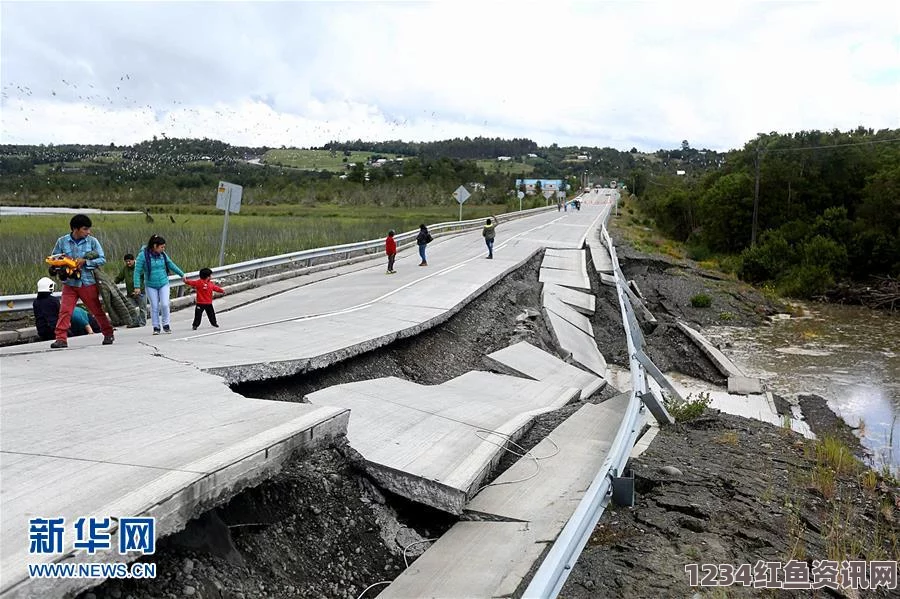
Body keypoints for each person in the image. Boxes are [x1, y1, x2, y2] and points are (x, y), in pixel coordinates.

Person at [47, 214, 115, 348]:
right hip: (69, 283)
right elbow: (54, 258)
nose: (88, 232)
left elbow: (102, 259)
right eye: (85, 229)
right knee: (65, 311)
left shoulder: (92, 241)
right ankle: (61, 339)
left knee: (96, 310)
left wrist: (85, 262)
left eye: (88, 229)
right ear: (75, 229)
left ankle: (108, 333)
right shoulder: (62, 241)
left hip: (87, 282)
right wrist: (58, 266)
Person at [134, 234, 185, 335]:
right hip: (150, 284)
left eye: (164, 247)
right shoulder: (142, 255)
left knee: (165, 304)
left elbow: (170, 264)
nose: (163, 249)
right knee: (154, 306)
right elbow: (137, 271)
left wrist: (181, 274)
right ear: (154, 246)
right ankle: (156, 326)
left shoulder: (163, 255)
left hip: (163, 283)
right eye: (161, 247)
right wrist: (137, 286)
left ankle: (166, 324)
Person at [116, 253, 146, 327]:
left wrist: (140, 288)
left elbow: (145, 277)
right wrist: (112, 284)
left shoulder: (139, 267)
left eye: (129, 261)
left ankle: (142, 322)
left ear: (133, 260)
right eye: (126, 261)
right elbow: (119, 278)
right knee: (130, 308)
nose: (128, 263)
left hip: (140, 291)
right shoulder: (125, 269)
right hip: (130, 293)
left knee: (142, 308)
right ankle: (134, 322)